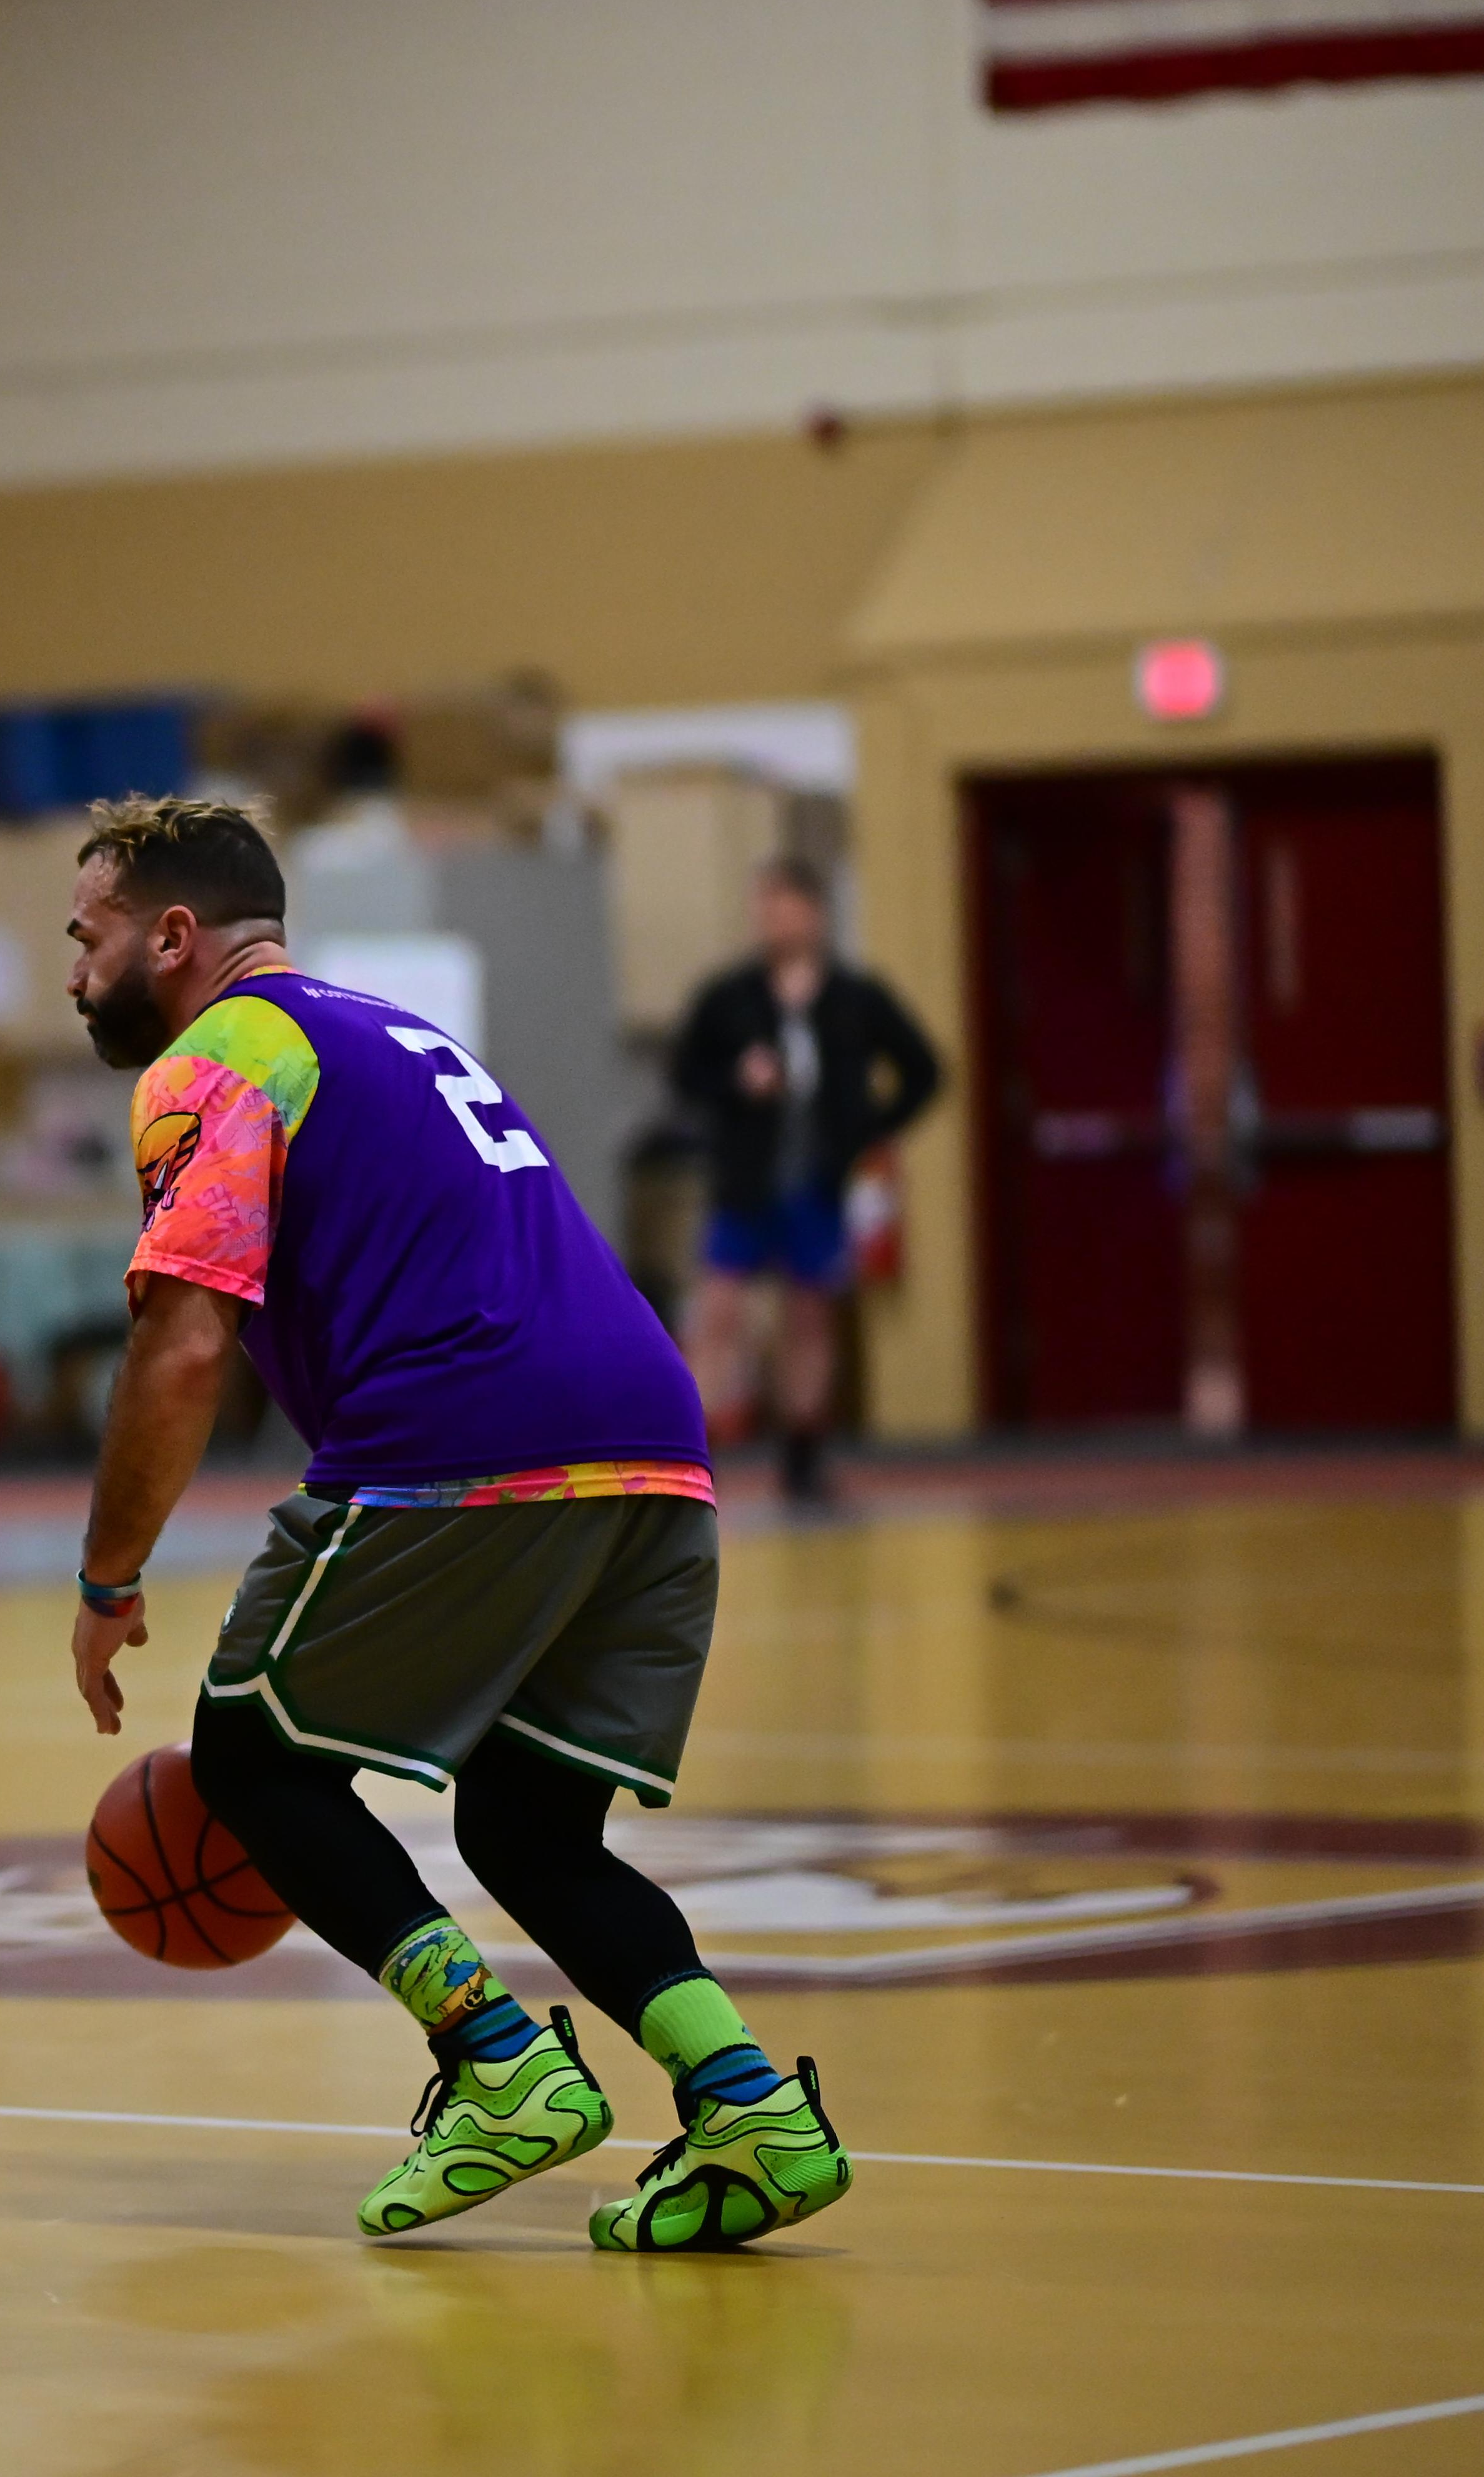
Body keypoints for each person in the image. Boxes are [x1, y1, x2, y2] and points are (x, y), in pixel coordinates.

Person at [59, 796, 850, 2256]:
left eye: (87, 936)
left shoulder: (217, 1057)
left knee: (252, 1760)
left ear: (172, 938)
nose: (73, 971)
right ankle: (750, 2109)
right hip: (653, 1441)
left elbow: (183, 1345)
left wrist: (110, 1576)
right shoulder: (386, 1032)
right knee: (528, 1824)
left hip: (472, 1428)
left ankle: (497, 2063)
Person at [668, 858, 939, 1503]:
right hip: (745, 1182)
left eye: (783, 908)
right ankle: (686, 1455)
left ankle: (803, 1452)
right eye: (763, 909)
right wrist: (737, 1081)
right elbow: (684, 1074)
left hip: (817, 1183)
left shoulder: (854, 998)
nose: (772, 922)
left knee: (809, 1317)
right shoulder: (731, 996)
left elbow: (923, 1069)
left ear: (814, 914)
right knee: (720, 1311)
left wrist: (869, 1127)